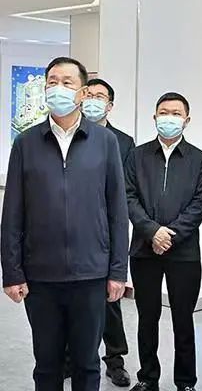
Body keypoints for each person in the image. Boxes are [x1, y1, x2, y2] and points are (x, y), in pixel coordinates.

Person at [1, 56, 129, 391]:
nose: (58, 88)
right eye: (52, 82)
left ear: (83, 92)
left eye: (67, 82)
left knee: (87, 363)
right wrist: (12, 272)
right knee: (47, 364)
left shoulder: (105, 142)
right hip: (40, 276)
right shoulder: (26, 143)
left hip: (91, 274)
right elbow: (12, 212)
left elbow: (117, 211)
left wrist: (118, 271)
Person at [125, 92, 202, 391]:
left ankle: (186, 382)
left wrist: (169, 235)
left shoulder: (199, 159)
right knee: (147, 318)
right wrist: (152, 232)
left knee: (183, 319)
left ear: (187, 120)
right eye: (164, 112)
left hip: (184, 253)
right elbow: (129, 197)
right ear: (154, 117)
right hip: (143, 249)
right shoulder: (136, 156)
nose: (169, 118)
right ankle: (148, 378)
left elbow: (199, 204)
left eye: (176, 113)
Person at [59, 78, 134, 387]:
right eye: (88, 94)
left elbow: (122, 192)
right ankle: (69, 358)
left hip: (104, 232)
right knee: (70, 300)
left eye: (99, 96)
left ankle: (115, 360)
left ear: (110, 105)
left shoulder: (122, 142)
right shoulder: (67, 136)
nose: (92, 100)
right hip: (71, 233)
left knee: (109, 302)